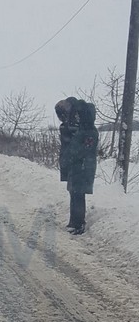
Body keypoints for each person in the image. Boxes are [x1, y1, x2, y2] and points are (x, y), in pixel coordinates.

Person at [57, 98, 98, 235]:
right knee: (74, 193)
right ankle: (74, 222)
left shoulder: (88, 130)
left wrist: (74, 153)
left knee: (78, 194)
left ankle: (78, 224)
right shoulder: (79, 129)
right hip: (77, 165)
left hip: (83, 165)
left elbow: (85, 149)